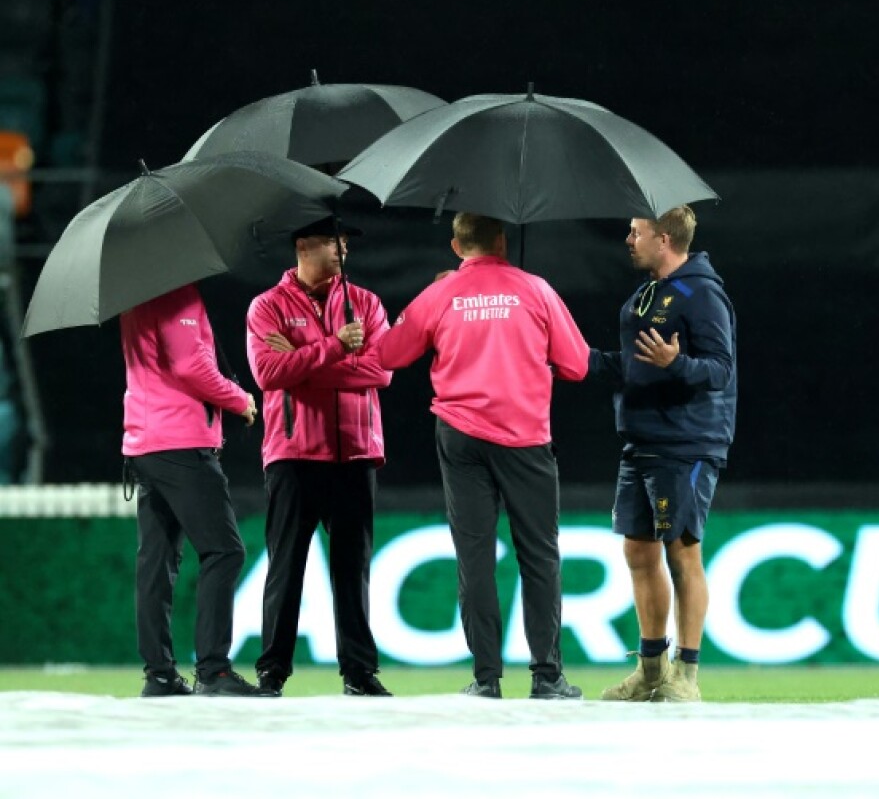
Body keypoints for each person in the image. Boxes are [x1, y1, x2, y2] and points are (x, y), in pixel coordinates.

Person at [376, 212, 588, 700]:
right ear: (502, 240)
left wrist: (438, 299)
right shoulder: (536, 289)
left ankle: (486, 679)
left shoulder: (441, 294)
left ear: (456, 245)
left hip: (460, 437)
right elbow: (576, 366)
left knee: (474, 558)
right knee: (539, 557)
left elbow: (388, 353)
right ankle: (547, 677)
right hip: (525, 439)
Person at [588, 205, 737, 703]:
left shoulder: (702, 294)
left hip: (686, 443)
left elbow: (720, 369)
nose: (628, 239)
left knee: (682, 552)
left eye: (636, 231)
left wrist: (679, 363)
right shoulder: (645, 295)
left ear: (665, 238)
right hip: (641, 441)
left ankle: (686, 677)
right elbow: (630, 366)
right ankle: (650, 672)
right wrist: (570, 356)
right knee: (638, 551)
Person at [245, 215, 393, 697]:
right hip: (293, 455)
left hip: (355, 453)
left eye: (347, 240)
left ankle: (359, 672)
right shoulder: (266, 306)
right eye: (335, 241)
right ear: (305, 244)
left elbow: (382, 371)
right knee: (286, 566)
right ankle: (272, 671)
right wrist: (335, 348)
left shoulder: (367, 303)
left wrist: (305, 361)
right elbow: (268, 374)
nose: (344, 249)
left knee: (352, 569)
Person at [120, 283, 270, 697]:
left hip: (145, 442)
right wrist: (238, 398)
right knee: (225, 550)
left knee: (157, 560)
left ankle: (160, 674)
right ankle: (213, 671)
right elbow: (190, 365)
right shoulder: (175, 293)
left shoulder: (135, 297)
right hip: (180, 442)